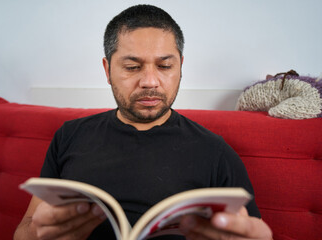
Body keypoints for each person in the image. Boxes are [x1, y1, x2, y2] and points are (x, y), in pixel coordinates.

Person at [14, 4, 273, 240]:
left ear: (180, 67)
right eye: (132, 67)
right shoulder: (70, 136)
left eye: (164, 66)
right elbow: (24, 230)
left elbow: (251, 232)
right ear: (107, 70)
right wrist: (36, 234)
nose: (150, 81)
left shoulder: (215, 151)